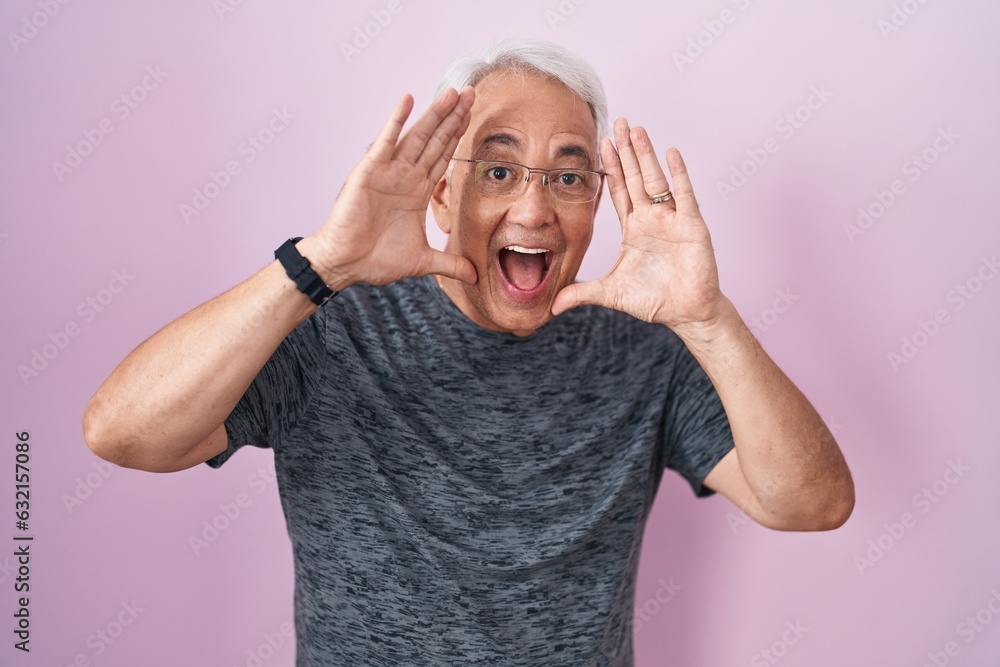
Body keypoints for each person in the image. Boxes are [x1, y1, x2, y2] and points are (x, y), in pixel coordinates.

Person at [83, 38, 854, 666]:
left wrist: (710, 319)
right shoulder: (329, 328)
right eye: (497, 169)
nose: (533, 207)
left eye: (568, 176)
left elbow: (811, 503)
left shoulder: (647, 350)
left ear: (598, 206)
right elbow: (123, 432)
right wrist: (319, 265)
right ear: (442, 196)